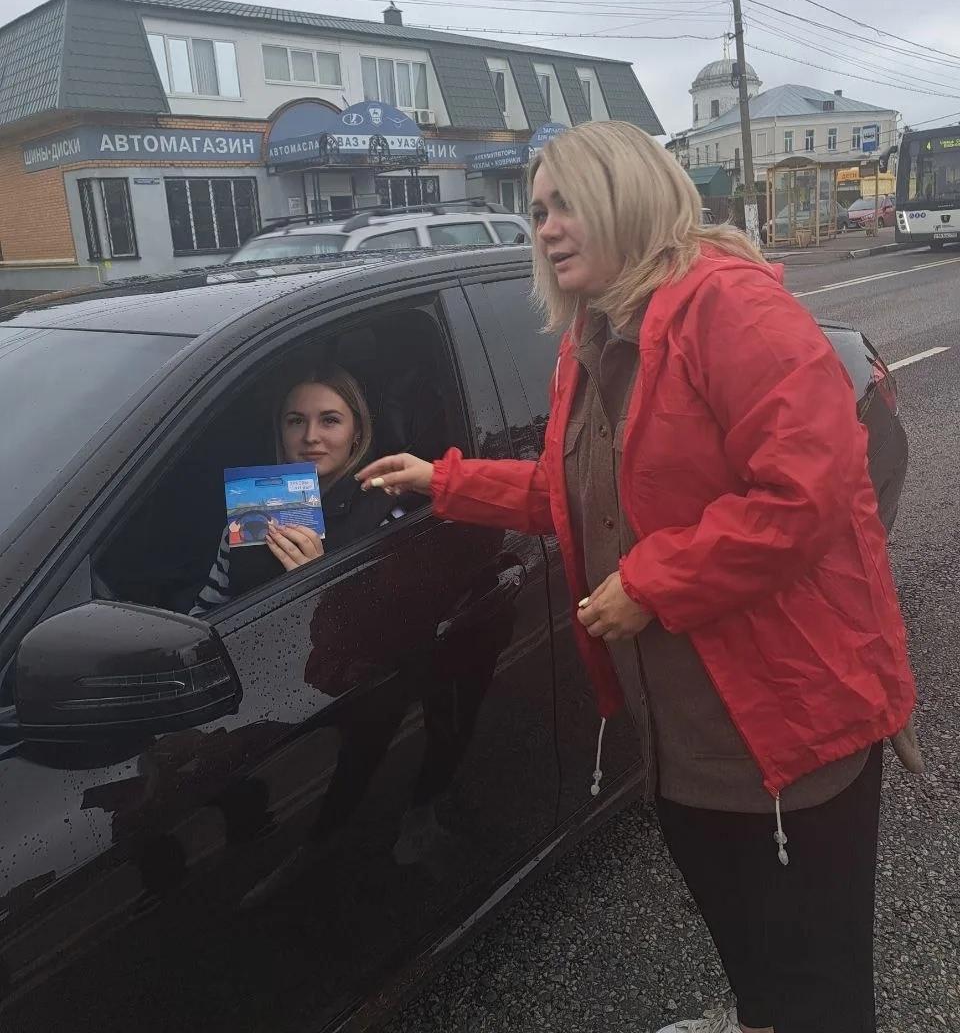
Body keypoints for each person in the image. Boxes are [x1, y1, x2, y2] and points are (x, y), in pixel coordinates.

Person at [357, 121, 920, 1033]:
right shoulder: (594, 336)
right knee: (743, 930)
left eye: (565, 203)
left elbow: (805, 494)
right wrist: (443, 481)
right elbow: (576, 493)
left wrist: (651, 584)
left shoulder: (730, 306)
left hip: (786, 711)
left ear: (627, 195)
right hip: (682, 726)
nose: (545, 226)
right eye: (537, 209)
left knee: (818, 974)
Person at [195, 366, 404, 610]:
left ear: (357, 431)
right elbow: (204, 612)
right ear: (281, 432)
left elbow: (393, 621)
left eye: (329, 420)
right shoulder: (246, 511)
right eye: (296, 421)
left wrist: (320, 582)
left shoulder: (385, 515)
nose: (310, 436)